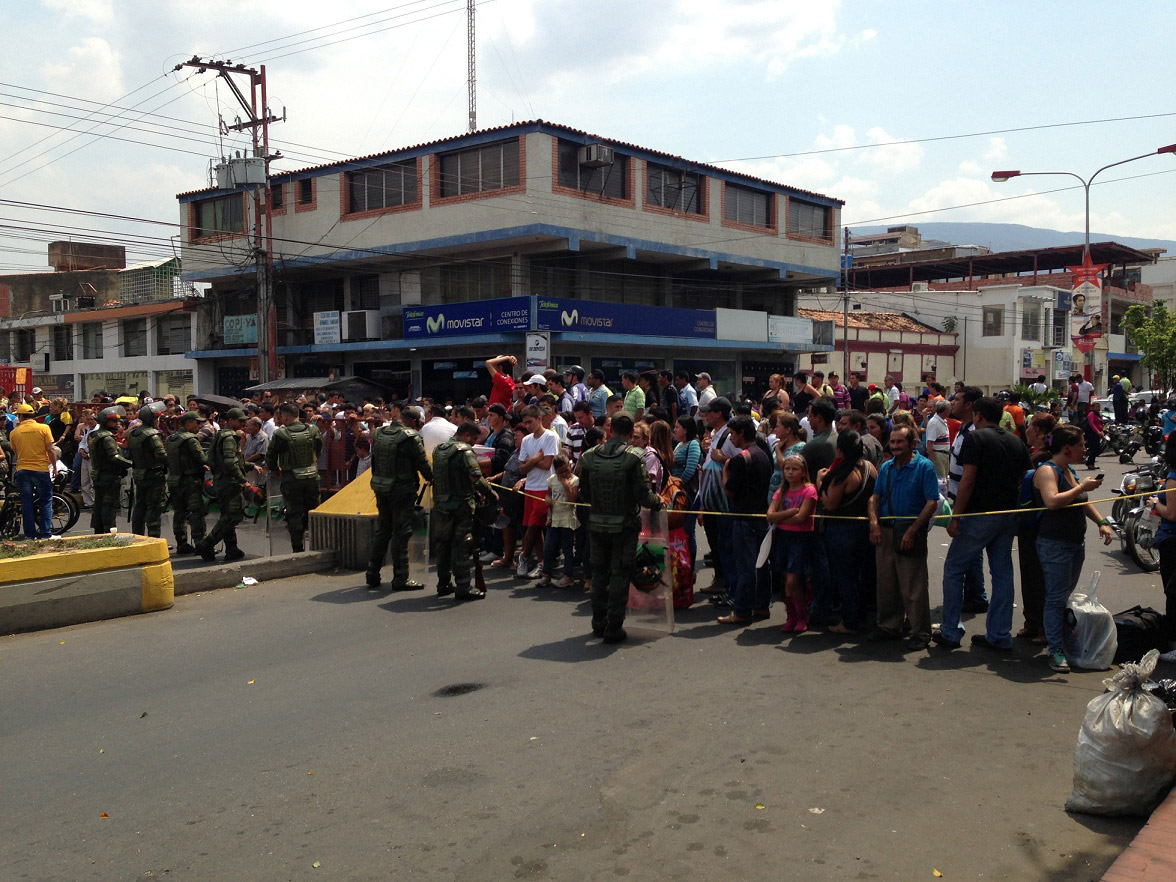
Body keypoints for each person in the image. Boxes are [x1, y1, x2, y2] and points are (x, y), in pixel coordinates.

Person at [935, 396, 1030, 652]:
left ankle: (951, 631)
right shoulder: (1015, 441)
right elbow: (1024, 478)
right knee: (1002, 573)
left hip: (978, 516)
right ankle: (999, 634)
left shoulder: (975, 439)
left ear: (977, 415)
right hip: (1007, 515)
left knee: (954, 569)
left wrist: (956, 517)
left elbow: (967, 480)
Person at [1033, 425, 1114, 672]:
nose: (1085, 449)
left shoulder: (1069, 471)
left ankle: (1059, 642)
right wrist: (1081, 488)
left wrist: (1101, 522)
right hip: (1054, 544)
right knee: (1056, 598)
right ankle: (1055, 650)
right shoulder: (1048, 471)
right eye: (1081, 444)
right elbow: (1052, 501)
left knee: (1063, 596)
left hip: (1073, 543)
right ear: (1067, 448)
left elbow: (1082, 503)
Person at [578, 414, 663, 643]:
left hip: (596, 524)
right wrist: (659, 502)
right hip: (624, 525)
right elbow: (643, 496)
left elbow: (583, 493)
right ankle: (613, 627)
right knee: (619, 574)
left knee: (598, 574)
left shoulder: (588, 456)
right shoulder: (634, 457)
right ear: (628, 433)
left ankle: (598, 622)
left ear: (610, 429)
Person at [868, 425, 940, 650]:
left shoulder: (924, 467)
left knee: (913, 585)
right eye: (893, 442)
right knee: (886, 583)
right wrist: (874, 524)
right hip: (886, 530)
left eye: (900, 442)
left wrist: (913, 530)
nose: (895, 446)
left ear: (912, 444)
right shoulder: (887, 467)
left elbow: (931, 502)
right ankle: (890, 626)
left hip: (910, 531)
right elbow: (874, 498)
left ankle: (920, 632)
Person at [365, 405, 432, 590]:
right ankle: (401, 578)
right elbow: (422, 463)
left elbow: (374, 461)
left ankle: (372, 573)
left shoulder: (379, 433)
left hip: (381, 487)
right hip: (402, 491)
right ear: (412, 421)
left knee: (383, 529)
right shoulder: (411, 437)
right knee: (402, 532)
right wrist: (433, 478)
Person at [817, 431, 877, 635]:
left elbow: (830, 504)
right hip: (863, 528)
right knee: (859, 576)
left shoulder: (845, 473)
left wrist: (819, 482)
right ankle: (859, 616)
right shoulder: (870, 468)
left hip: (842, 531)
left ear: (840, 450)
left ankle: (850, 622)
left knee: (846, 578)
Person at [431, 421, 496, 600]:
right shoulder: (465, 451)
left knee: (442, 544)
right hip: (461, 505)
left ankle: (443, 583)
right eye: (474, 438)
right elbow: (476, 476)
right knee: (462, 543)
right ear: (466, 435)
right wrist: (491, 494)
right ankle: (463, 585)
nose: (474, 442)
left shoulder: (439, 450)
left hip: (441, 504)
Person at [1016, 412, 1057, 645]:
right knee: (1029, 574)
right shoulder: (1032, 454)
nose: (1027, 430)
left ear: (1039, 431)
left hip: (1042, 524)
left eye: (1030, 426)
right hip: (1027, 523)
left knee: (1042, 577)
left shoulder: (1046, 460)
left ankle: (1044, 626)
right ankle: (1031, 621)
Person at [767, 453, 817, 632]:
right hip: (783, 537)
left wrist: (780, 518)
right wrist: (790, 513)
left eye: (794, 469)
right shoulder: (782, 491)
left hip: (800, 539)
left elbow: (802, 518)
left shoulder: (809, 490)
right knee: (786, 579)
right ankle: (792, 616)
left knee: (793, 580)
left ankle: (802, 615)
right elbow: (770, 515)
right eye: (787, 468)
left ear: (803, 472)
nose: (790, 472)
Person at [266, 402, 323, 553]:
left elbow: (271, 457)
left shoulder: (281, 434)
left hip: (291, 478)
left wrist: (275, 470)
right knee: (314, 511)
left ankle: (297, 550)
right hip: (312, 476)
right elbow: (318, 450)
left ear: (284, 417)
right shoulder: (313, 430)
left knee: (294, 513)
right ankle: (320, 545)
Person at [197, 407, 250, 563]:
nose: (243, 423)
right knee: (233, 516)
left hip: (222, 480)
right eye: (240, 420)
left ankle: (231, 548)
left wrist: (250, 466)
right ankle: (207, 543)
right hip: (229, 482)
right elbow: (230, 462)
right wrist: (243, 480)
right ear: (231, 421)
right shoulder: (229, 437)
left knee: (228, 515)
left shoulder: (221, 434)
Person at [515, 404, 559, 578]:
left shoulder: (551, 437)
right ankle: (541, 562)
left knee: (533, 525)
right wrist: (535, 459)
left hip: (545, 487)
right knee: (535, 527)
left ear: (539, 419)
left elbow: (548, 464)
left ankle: (524, 556)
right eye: (525, 423)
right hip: (531, 487)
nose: (527, 426)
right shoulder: (526, 440)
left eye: (530, 422)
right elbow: (522, 469)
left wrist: (530, 461)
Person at [9, 402, 57, 540]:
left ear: (20, 416)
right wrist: (54, 467)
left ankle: (29, 535)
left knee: (27, 502)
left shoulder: (14, 432)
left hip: (23, 469)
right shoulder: (43, 428)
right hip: (41, 469)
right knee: (46, 500)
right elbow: (51, 449)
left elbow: (16, 451)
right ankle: (45, 533)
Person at [165, 411, 208, 554]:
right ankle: (200, 543)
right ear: (188, 423)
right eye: (197, 423)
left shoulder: (171, 439)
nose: (199, 426)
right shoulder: (190, 439)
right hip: (190, 481)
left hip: (174, 480)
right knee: (196, 512)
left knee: (179, 513)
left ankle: (181, 542)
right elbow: (202, 459)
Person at [536, 455, 580, 588]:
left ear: (570, 466)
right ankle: (546, 574)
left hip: (567, 519)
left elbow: (573, 501)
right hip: (554, 519)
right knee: (548, 547)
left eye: (567, 470)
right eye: (561, 472)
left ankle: (568, 576)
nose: (565, 474)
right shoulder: (552, 480)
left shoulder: (574, 480)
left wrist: (566, 486)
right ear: (555, 471)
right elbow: (548, 494)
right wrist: (547, 499)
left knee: (567, 548)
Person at [88, 407, 132, 534]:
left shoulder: (94, 435)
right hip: (109, 475)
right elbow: (114, 457)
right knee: (109, 505)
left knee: (99, 504)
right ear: (104, 421)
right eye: (113, 421)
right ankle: (109, 531)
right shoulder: (107, 437)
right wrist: (130, 463)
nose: (117, 424)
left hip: (98, 474)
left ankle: (99, 530)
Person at [128, 403, 168, 537]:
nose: (158, 421)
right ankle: (154, 538)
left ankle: (137, 536)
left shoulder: (133, 433)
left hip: (139, 474)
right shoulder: (152, 434)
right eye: (157, 418)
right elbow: (161, 454)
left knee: (139, 507)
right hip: (154, 475)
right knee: (154, 507)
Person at [1151, 432, 1176, 641]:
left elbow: (1172, 514)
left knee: (1172, 592)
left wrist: (1154, 503)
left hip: (1171, 540)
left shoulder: (1173, 478)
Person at [924, 400, 951, 478]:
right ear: (946, 411)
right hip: (938, 454)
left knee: (945, 478)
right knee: (940, 479)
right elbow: (930, 443)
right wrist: (932, 461)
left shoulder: (942, 421)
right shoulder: (935, 422)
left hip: (944, 454)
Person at [1083, 406, 1105, 470]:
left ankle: (1091, 463)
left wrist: (1101, 431)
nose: (1098, 408)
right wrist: (1097, 432)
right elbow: (1091, 424)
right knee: (1095, 448)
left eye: (1099, 406)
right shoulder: (1091, 414)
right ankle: (1089, 463)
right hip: (1091, 433)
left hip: (1097, 434)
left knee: (1095, 448)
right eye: (1096, 406)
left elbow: (1100, 424)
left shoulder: (1098, 414)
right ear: (1092, 407)